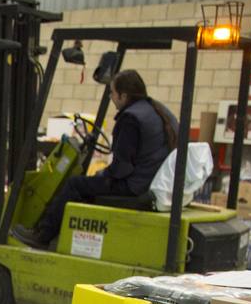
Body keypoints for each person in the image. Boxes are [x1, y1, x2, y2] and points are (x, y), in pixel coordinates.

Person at [12, 70, 178, 249]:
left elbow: (121, 169)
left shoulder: (130, 119)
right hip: (149, 181)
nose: (111, 97)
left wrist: (102, 174)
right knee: (89, 183)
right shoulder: (158, 110)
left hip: (134, 186)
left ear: (123, 95)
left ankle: (42, 236)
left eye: (112, 93)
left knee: (74, 184)